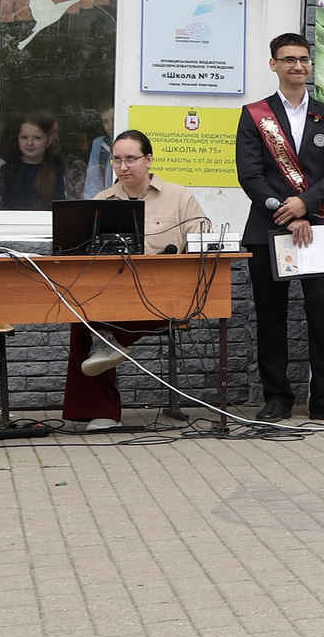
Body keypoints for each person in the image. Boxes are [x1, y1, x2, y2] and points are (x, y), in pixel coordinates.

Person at [235, 32, 324, 425]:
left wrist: (306, 203)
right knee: (271, 318)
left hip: (318, 228)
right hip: (268, 229)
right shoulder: (255, 115)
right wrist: (285, 209)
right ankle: (277, 399)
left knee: (323, 315)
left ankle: (323, 398)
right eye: (288, 59)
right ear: (274, 64)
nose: (297, 66)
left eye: (303, 59)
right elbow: (250, 175)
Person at [63, 130, 214, 432]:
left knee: (96, 328)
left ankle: (107, 345)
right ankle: (103, 409)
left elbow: (204, 244)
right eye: (117, 160)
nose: (123, 167)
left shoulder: (178, 196)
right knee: (80, 318)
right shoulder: (102, 200)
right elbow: (84, 255)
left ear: (148, 160)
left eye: (131, 159)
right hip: (114, 296)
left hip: (167, 294)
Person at [0, 109, 74, 211]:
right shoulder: (7, 172)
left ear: (48, 141)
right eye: (24, 137)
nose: (29, 143)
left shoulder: (58, 171)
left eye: (37, 138)